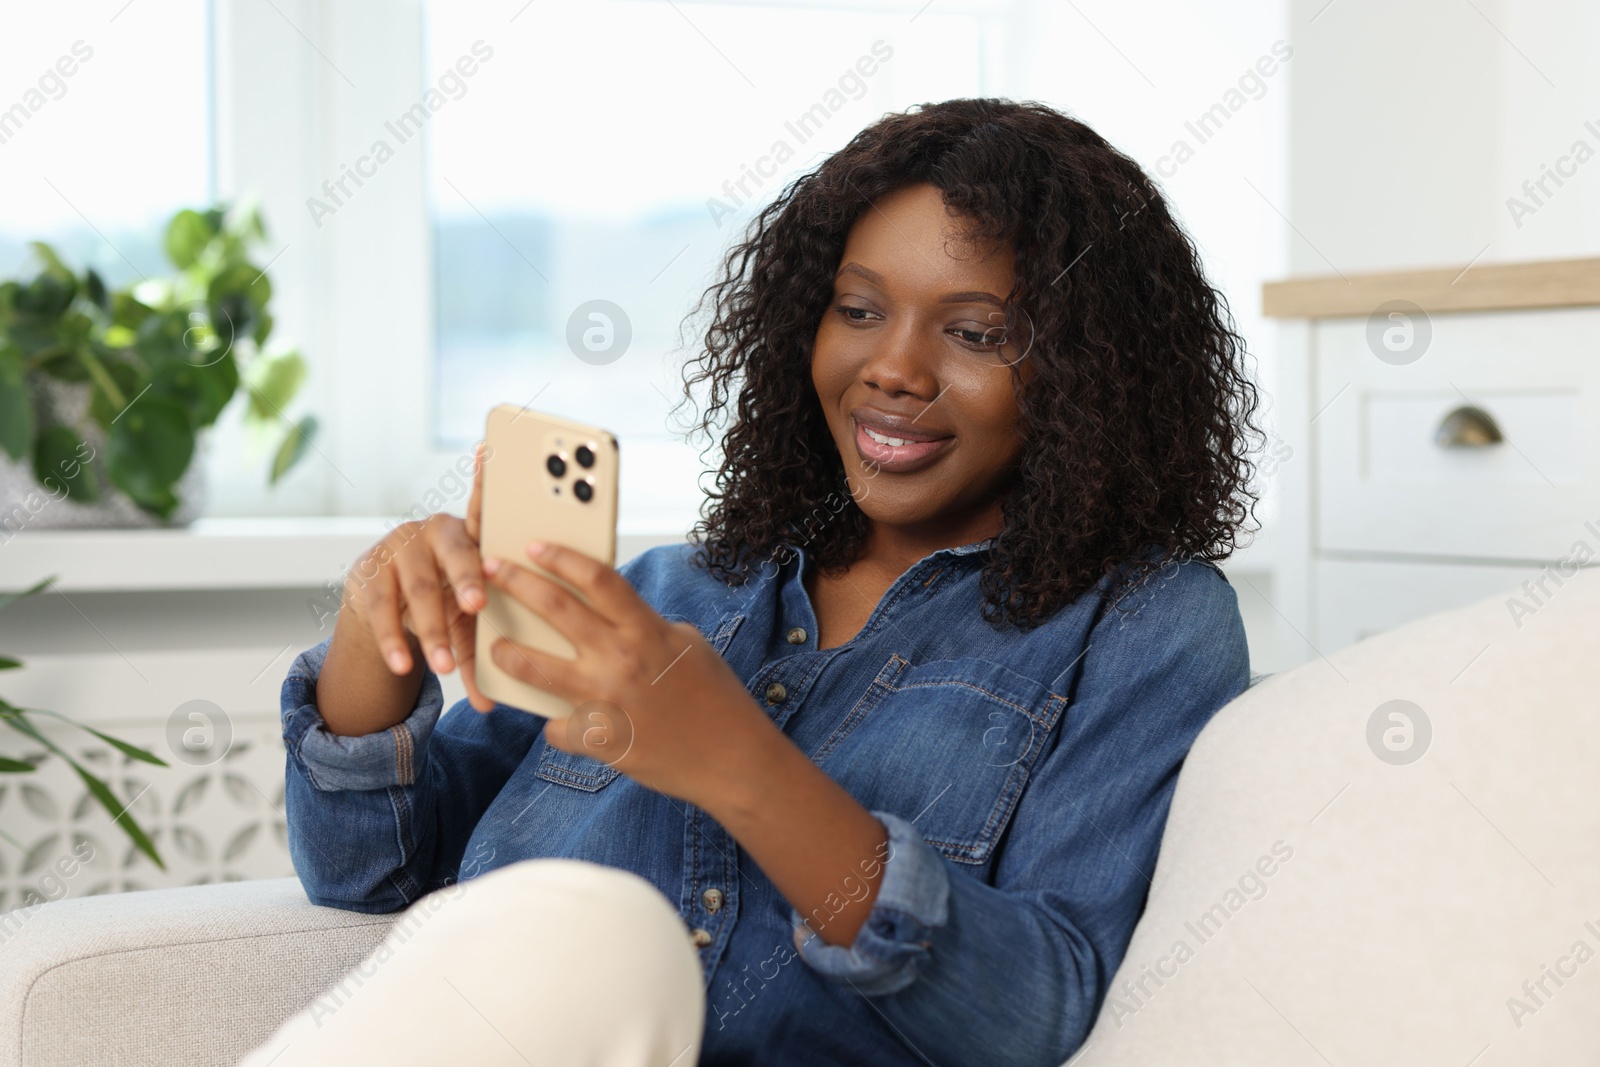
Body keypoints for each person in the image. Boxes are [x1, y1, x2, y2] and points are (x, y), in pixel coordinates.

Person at [242, 97, 1261, 1067]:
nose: (893, 367)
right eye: (857, 308)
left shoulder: (1145, 623)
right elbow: (367, 870)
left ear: (1092, 369)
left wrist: (738, 764)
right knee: (566, 935)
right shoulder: (671, 591)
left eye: (976, 332)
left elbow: (1035, 1013)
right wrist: (369, 625)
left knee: (605, 937)